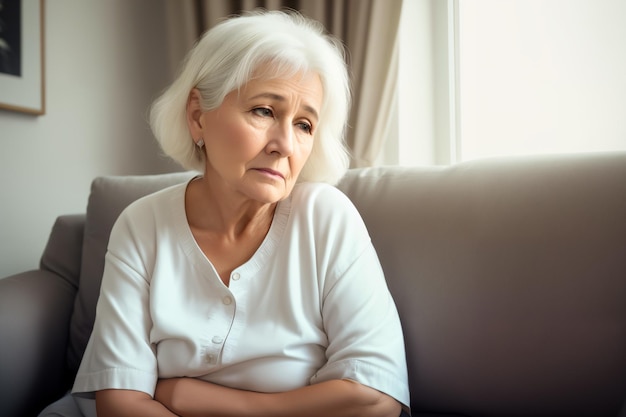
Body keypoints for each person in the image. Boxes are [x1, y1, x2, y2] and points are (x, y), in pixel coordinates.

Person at [71, 10, 410, 417]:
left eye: (304, 124)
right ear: (198, 115)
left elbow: (376, 399)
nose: (285, 144)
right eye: (264, 111)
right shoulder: (141, 225)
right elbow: (121, 403)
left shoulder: (327, 218)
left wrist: (194, 399)